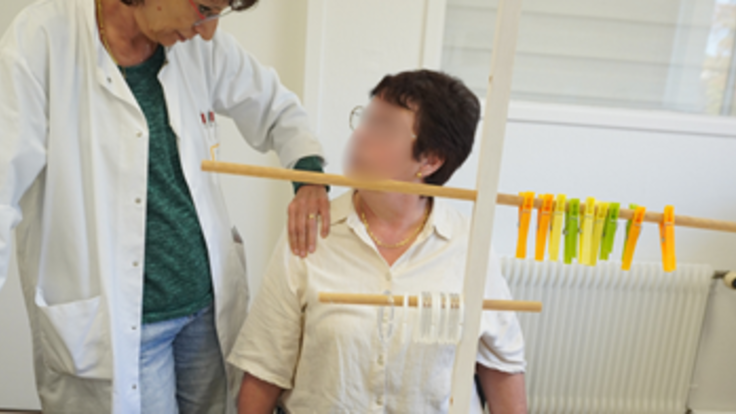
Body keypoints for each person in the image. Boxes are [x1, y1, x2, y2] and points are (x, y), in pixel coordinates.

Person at [0, 0, 331, 412]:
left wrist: (308, 175)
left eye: (219, 13)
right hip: (119, 326)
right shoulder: (41, 40)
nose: (209, 31)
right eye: (205, 8)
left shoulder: (194, 45)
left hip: (203, 310)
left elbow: (276, 108)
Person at [228, 70, 528, 413]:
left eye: (383, 127)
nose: (360, 135)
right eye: (366, 118)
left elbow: (502, 368)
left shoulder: (469, 246)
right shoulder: (311, 232)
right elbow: (264, 368)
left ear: (431, 159)